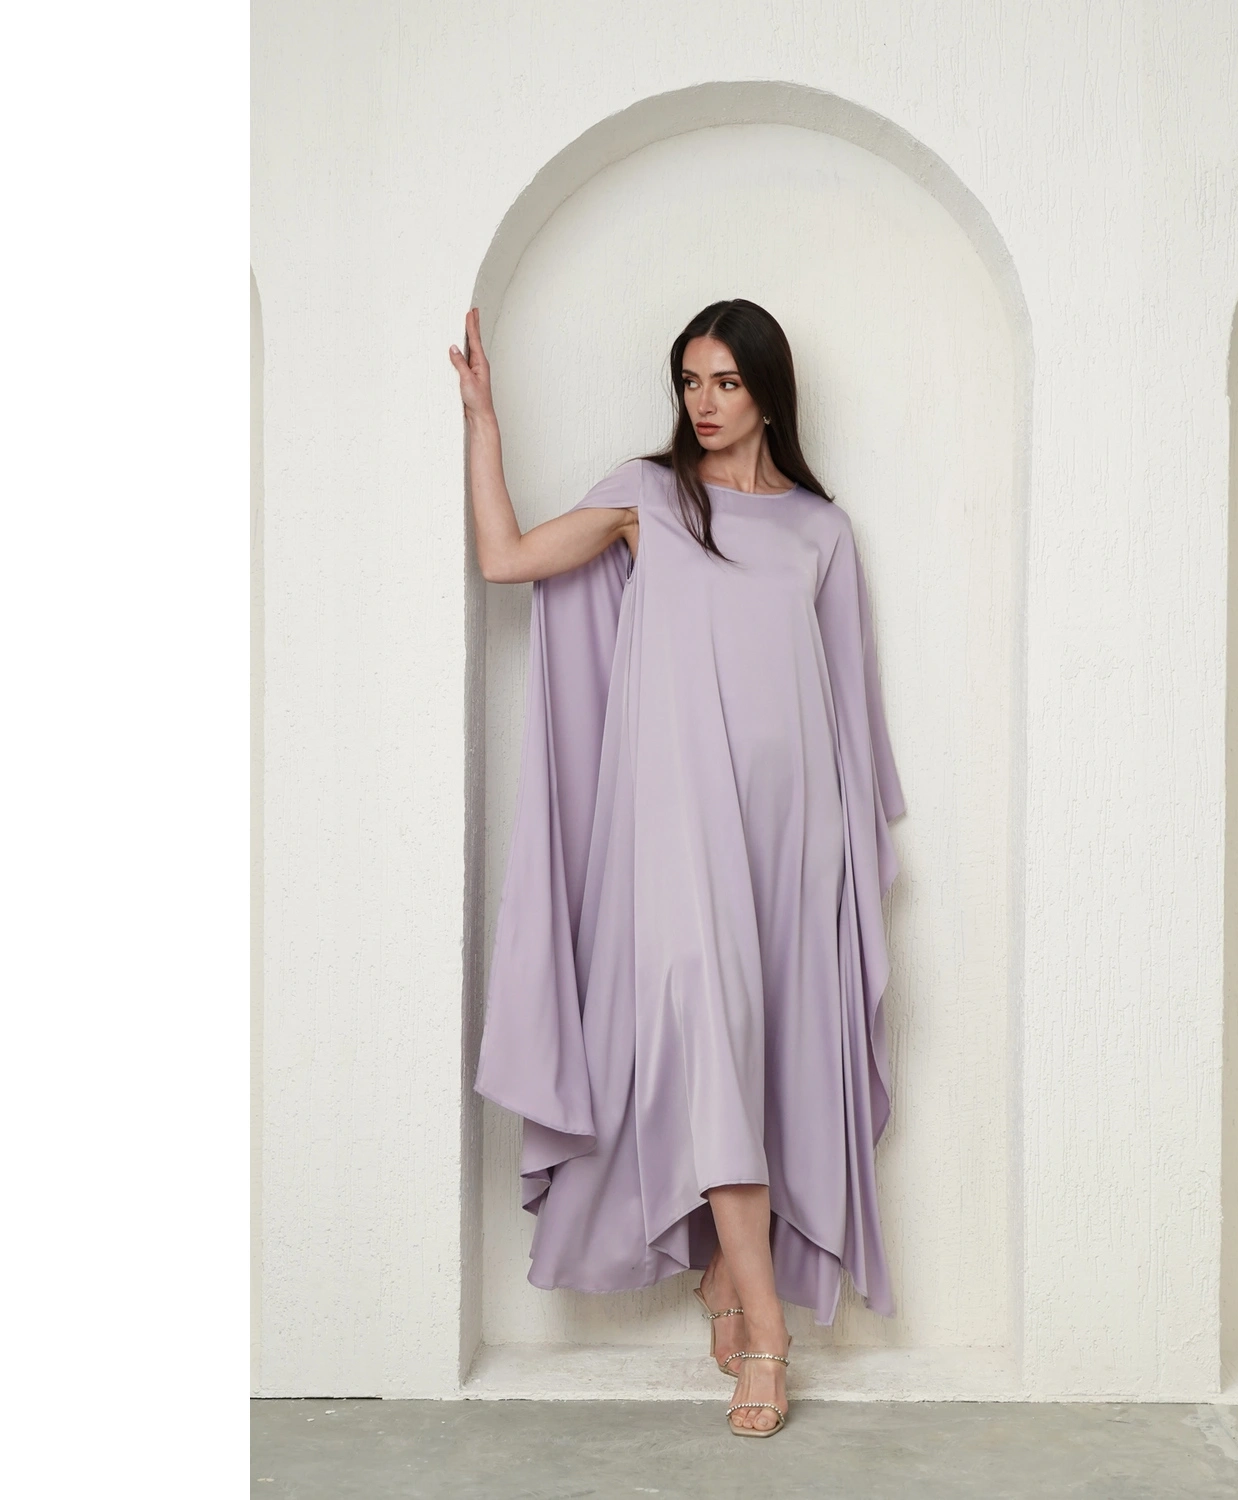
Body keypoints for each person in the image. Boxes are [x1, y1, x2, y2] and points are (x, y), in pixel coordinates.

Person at [449, 298, 906, 1436]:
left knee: (767, 1056)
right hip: (675, 824)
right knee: (705, 1029)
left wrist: (850, 862)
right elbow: (507, 560)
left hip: (793, 833)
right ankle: (768, 1329)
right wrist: (484, 426)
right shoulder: (647, 497)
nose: (703, 404)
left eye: (725, 384)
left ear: (767, 394)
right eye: (691, 382)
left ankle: (722, 1278)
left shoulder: (822, 532)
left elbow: (847, 708)